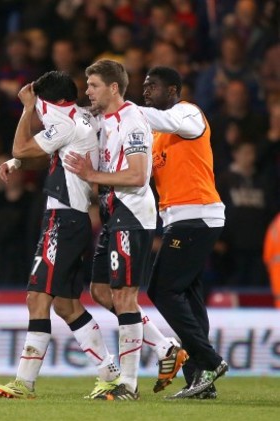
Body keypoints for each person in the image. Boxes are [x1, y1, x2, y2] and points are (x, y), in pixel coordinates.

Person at [0, 70, 120, 400]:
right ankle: (109, 374)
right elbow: (46, 154)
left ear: (53, 102)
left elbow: (21, 146)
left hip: (62, 219)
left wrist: (26, 107)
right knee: (66, 305)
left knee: (37, 297)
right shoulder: (77, 119)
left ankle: (24, 381)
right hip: (71, 219)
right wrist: (17, 164)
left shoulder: (64, 123)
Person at [64, 59, 163, 401]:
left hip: (133, 213)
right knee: (102, 292)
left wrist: (92, 176)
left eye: (92, 85)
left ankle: (129, 385)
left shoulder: (134, 122)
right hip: (114, 214)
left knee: (124, 296)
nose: (87, 91)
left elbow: (138, 176)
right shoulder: (104, 119)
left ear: (114, 88)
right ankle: (165, 348)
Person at [141, 66, 229, 398]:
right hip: (180, 219)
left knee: (162, 290)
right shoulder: (154, 136)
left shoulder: (188, 114)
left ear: (174, 89)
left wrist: (125, 109)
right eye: (145, 86)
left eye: (154, 86)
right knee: (188, 297)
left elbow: (170, 121)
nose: (147, 90)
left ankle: (209, 359)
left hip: (199, 215)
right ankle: (200, 379)